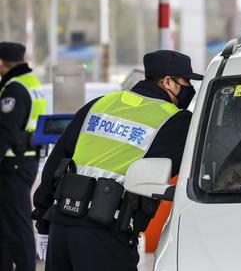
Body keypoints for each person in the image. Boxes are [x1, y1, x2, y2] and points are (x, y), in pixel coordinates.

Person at [32, 50, 203, 270]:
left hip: (62, 225)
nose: (189, 87)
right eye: (186, 81)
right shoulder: (176, 121)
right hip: (105, 234)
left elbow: (56, 162)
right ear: (167, 81)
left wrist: (43, 220)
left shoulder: (99, 104)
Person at [0, 42, 46, 271]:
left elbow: (5, 132)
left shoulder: (14, 89)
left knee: (17, 224)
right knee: (7, 224)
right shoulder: (30, 83)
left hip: (13, 166)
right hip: (24, 163)